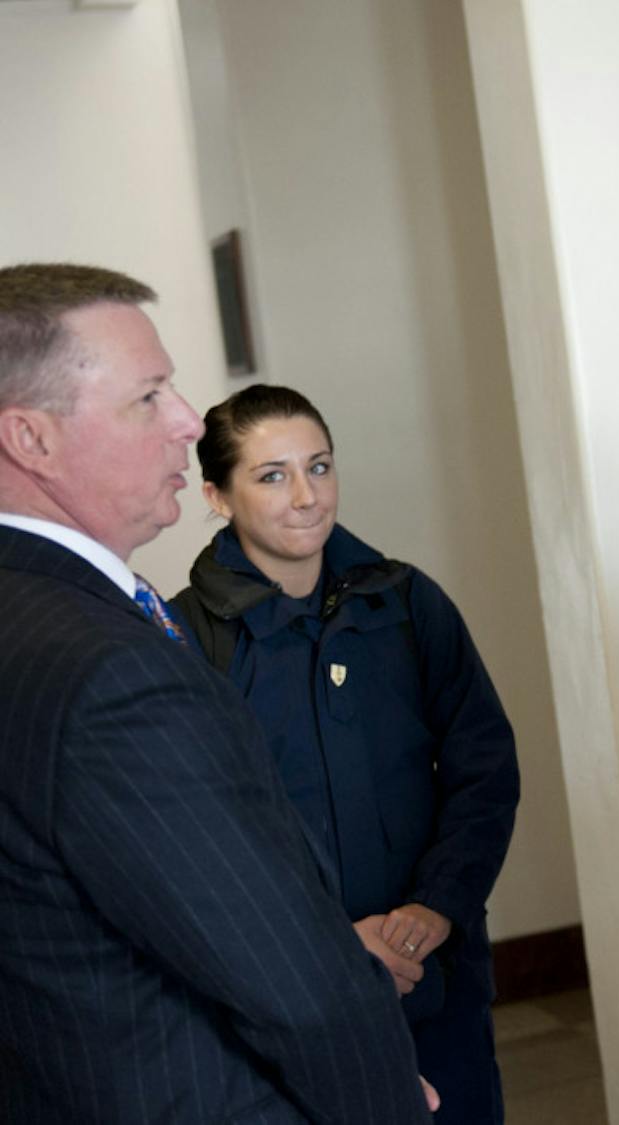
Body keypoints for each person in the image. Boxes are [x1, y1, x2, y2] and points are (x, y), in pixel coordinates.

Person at [0, 263, 435, 1122]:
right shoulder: (107, 671)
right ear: (31, 438)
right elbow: (289, 981)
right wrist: (385, 1099)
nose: (189, 421)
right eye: (148, 396)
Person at [170, 383, 521, 1124]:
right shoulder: (184, 642)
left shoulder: (409, 602)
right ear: (217, 496)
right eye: (273, 476)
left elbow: (484, 768)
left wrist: (438, 904)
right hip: (288, 1001)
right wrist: (329, 947)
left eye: (320, 466)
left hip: (434, 976)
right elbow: (192, 844)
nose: (307, 496)